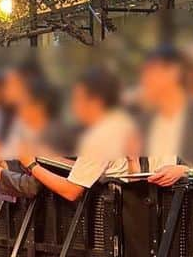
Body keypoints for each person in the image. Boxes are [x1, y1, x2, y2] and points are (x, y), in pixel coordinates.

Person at [24, 68, 138, 203]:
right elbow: (91, 167)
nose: (74, 106)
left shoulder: (99, 137)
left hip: (108, 214)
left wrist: (31, 165)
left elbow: (71, 191)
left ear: (96, 101)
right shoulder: (119, 123)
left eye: (78, 99)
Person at [137, 45, 193, 186]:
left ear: (174, 72)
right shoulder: (145, 121)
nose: (145, 79)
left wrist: (188, 172)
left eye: (151, 71)